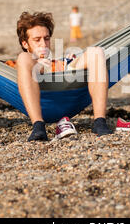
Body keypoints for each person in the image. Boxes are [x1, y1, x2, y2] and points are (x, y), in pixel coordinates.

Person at [14, 11, 113, 141]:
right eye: (37, 40)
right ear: (25, 43)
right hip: (40, 104)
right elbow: (22, 65)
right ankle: (38, 126)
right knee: (23, 58)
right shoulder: (20, 62)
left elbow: (79, 62)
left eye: (47, 38)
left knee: (97, 52)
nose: (44, 44)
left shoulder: (62, 63)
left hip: (67, 87)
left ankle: (100, 122)